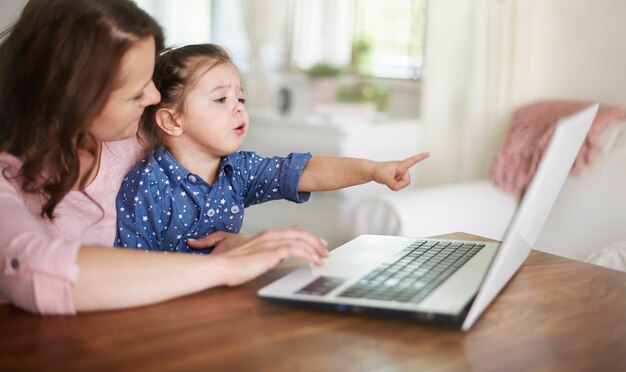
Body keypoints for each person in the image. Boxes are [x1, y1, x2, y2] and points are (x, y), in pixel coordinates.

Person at [0, 0, 331, 315]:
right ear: (74, 97)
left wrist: (225, 249)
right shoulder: (8, 175)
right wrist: (222, 267)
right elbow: (34, 268)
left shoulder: (140, 133)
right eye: (137, 90)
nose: (154, 96)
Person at [115, 43, 430, 253]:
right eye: (221, 99)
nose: (238, 108)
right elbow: (132, 268)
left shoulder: (239, 170)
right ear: (172, 121)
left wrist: (373, 170)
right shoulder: (147, 185)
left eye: (241, 98)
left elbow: (304, 171)